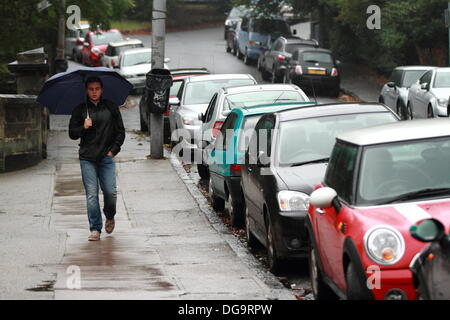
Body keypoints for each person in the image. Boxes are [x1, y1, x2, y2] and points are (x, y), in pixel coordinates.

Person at [69, 77, 126, 241]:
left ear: (102, 90)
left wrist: (112, 151)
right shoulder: (80, 109)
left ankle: (110, 215)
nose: (94, 92)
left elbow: (120, 132)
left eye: (97, 88)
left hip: (106, 157)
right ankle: (95, 228)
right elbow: (72, 133)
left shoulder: (111, 107)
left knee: (110, 192)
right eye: (91, 89)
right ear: (86, 90)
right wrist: (83, 127)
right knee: (92, 195)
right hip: (87, 158)